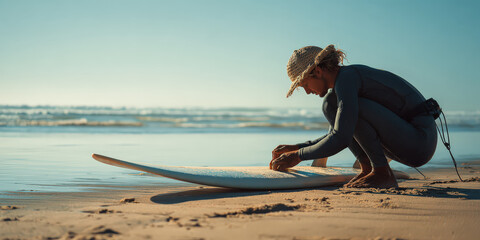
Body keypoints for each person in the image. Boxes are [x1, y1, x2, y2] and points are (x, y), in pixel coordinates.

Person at [269, 45, 438, 188]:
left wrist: (298, 156)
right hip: (409, 139)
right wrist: (296, 148)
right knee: (330, 104)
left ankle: (382, 172)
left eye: (305, 84)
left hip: (420, 142)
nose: (306, 91)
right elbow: (337, 133)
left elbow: (341, 137)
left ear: (318, 71)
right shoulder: (343, 83)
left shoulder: (347, 79)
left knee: (342, 107)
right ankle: (369, 168)